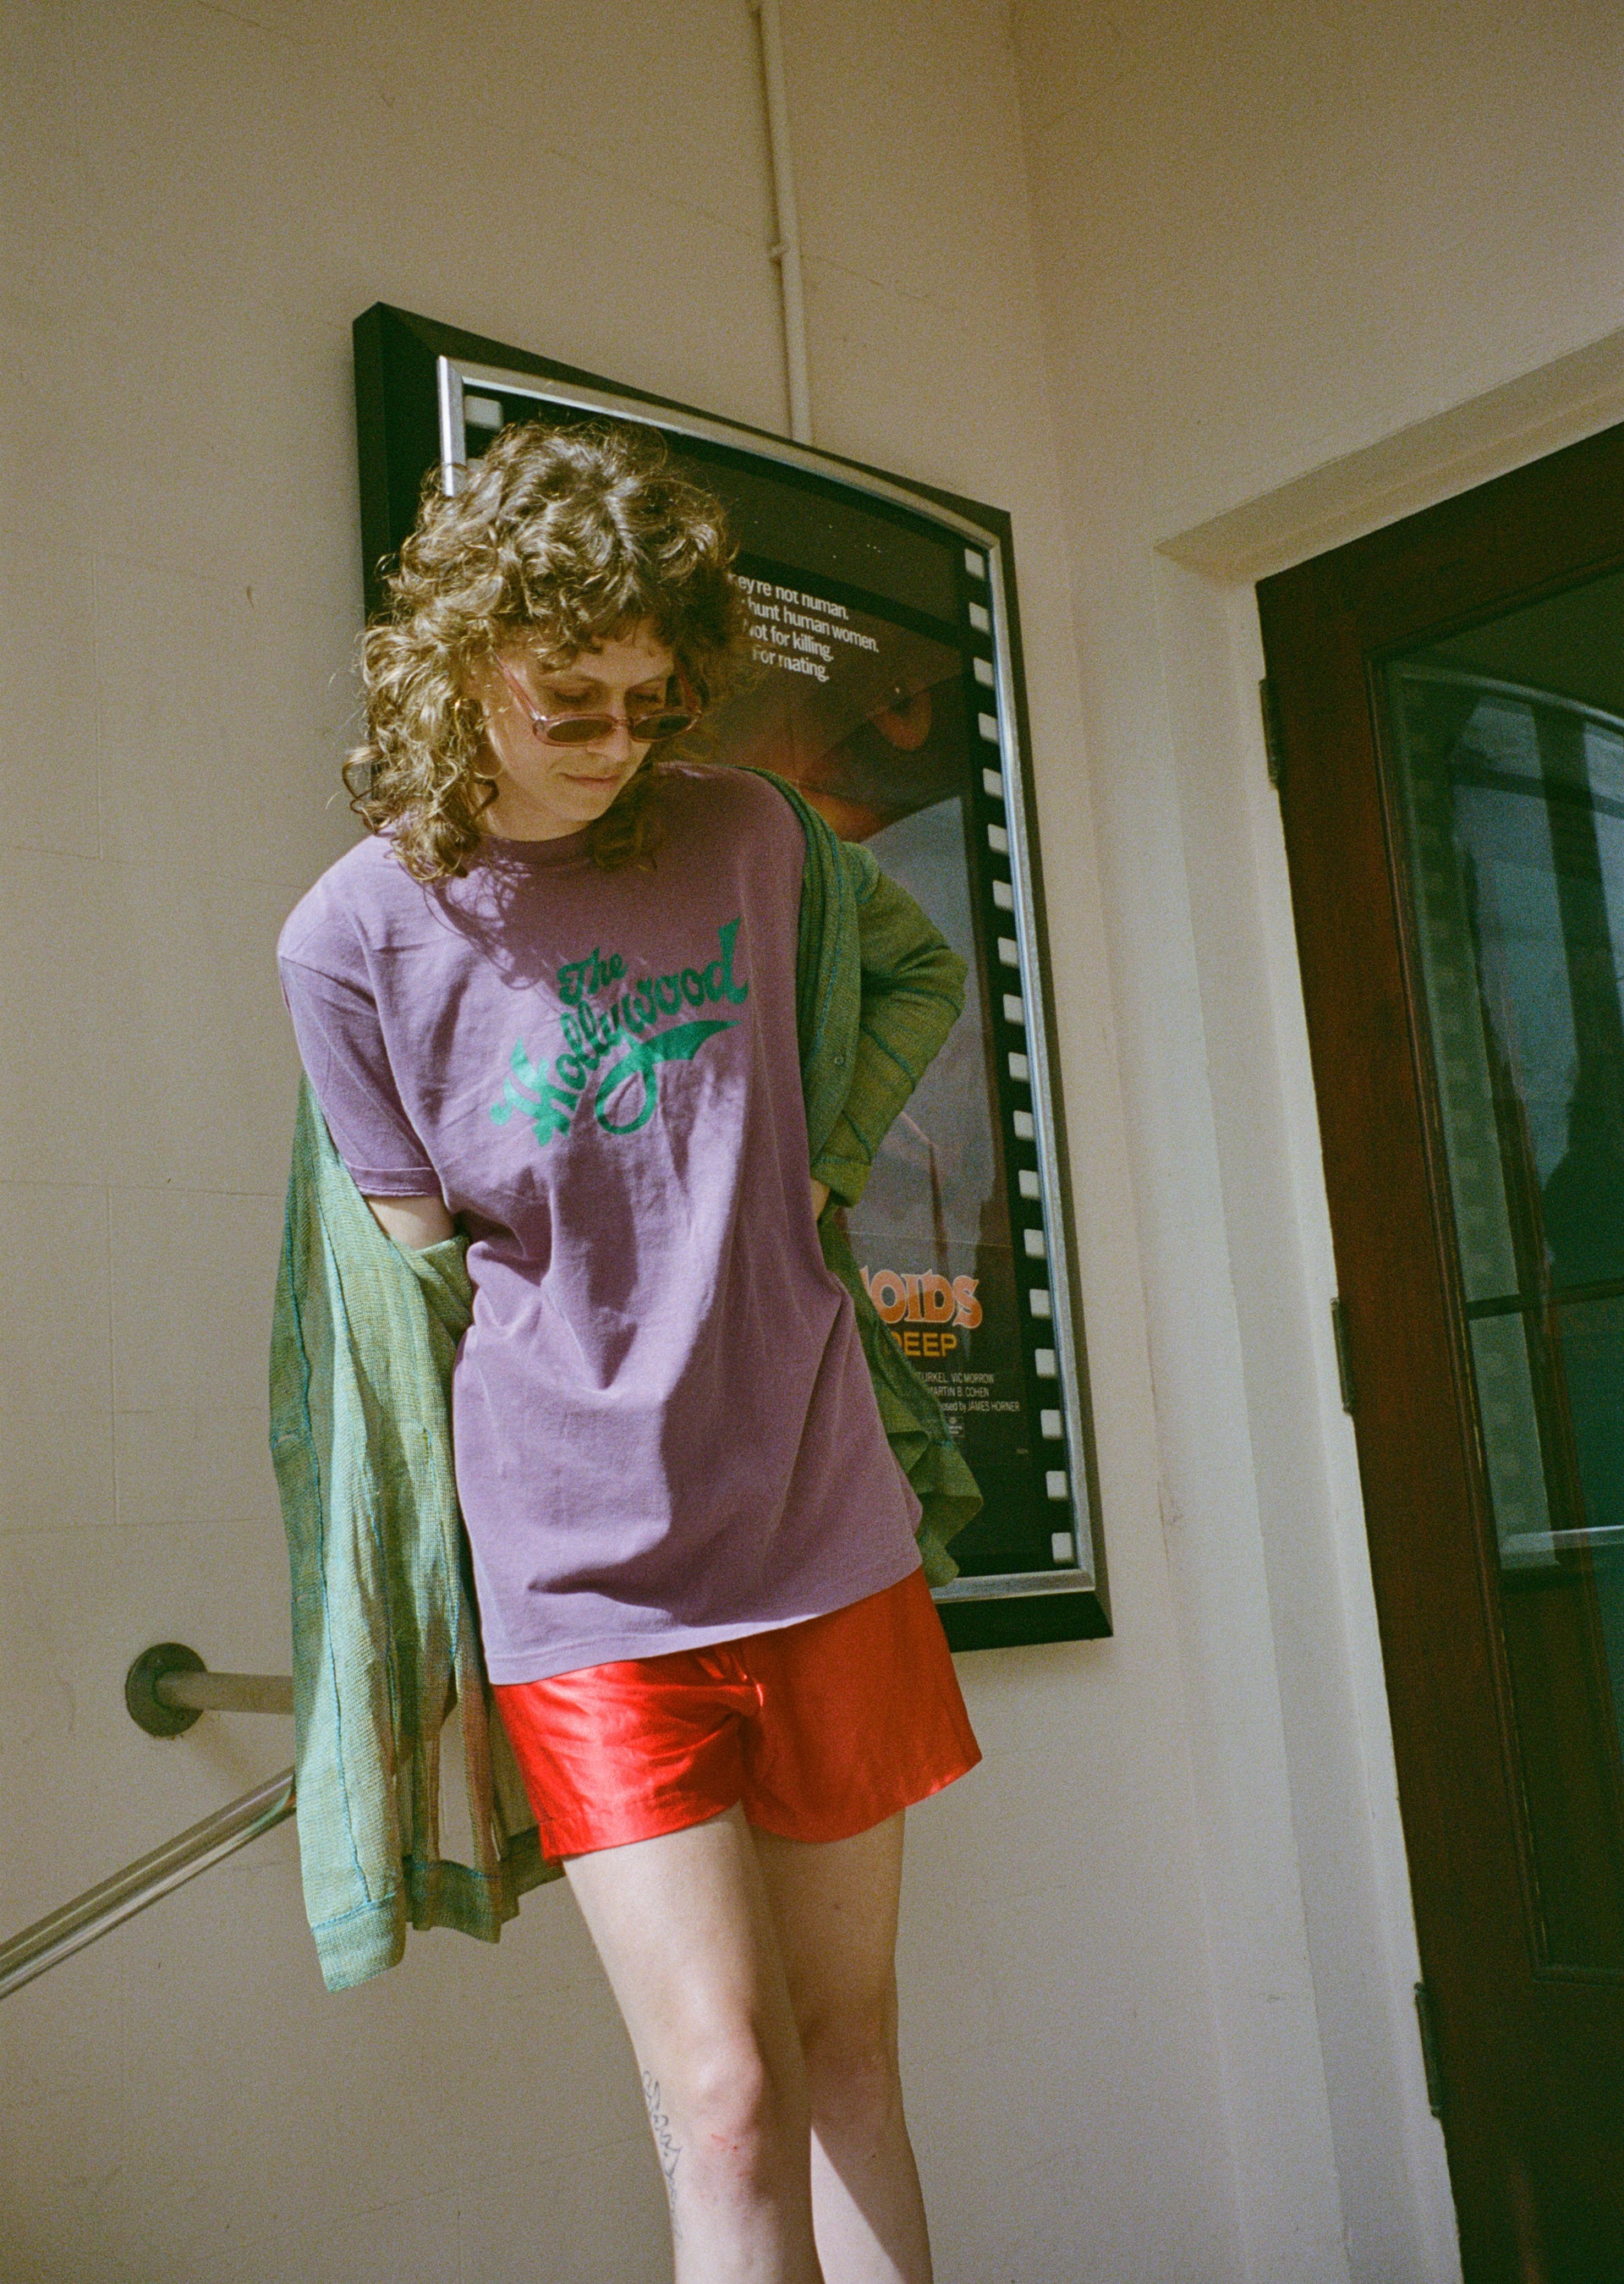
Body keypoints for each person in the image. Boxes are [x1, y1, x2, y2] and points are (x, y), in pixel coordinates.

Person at [276, 418, 981, 2284]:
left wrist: (820, 1168)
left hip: (822, 1518)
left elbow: (918, 973)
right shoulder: (351, 940)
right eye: (568, 702)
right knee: (723, 2094)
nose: (614, 746)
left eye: (650, 703)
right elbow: (418, 1295)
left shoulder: (751, 835)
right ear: (461, 663)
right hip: (581, 1573)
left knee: (850, 2055)